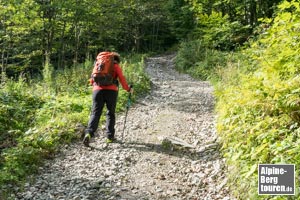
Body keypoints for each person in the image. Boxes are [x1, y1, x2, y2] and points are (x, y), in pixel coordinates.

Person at [83, 52, 133, 146]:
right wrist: (128, 89)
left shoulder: (98, 64)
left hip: (97, 91)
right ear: (116, 59)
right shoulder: (115, 65)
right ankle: (110, 137)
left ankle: (89, 133)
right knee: (110, 113)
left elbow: (92, 79)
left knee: (95, 113)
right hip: (111, 91)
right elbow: (121, 78)